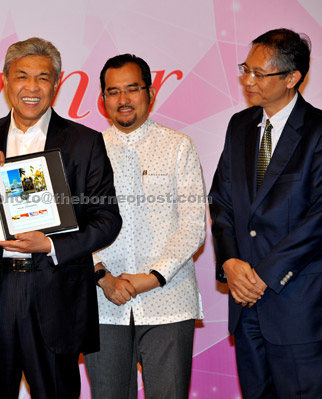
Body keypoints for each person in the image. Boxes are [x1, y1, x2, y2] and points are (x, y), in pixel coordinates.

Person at [0, 37, 122, 399]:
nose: (31, 88)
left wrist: (51, 244)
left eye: (42, 78)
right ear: (5, 81)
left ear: (56, 84)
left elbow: (106, 218)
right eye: (22, 77)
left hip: (54, 294)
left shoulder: (84, 141)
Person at [209, 28, 322, 399]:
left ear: (292, 78)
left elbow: (321, 218)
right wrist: (230, 262)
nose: (247, 80)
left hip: (299, 302)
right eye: (246, 69)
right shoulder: (239, 126)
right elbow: (221, 201)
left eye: (259, 73)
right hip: (246, 304)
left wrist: (263, 275)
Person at [84, 54, 206, 399]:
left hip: (167, 298)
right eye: (113, 92)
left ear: (150, 93)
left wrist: (152, 277)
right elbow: (73, 226)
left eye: (132, 89)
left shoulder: (178, 146)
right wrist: (102, 276)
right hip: (103, 300)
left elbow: (194, 225)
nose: (123, 100)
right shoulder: (87, 151)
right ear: (102, 99)